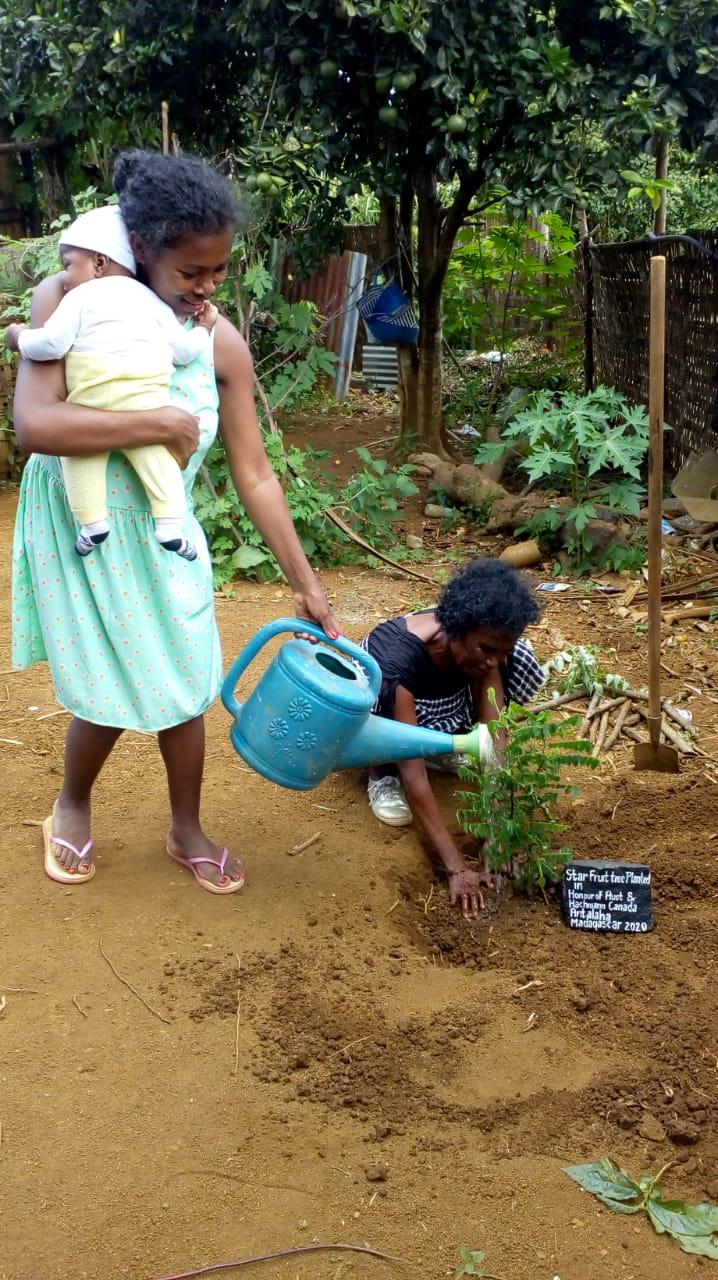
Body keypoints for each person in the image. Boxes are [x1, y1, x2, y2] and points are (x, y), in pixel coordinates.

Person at [11, 149, 337, 893]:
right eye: (191, 271)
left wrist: (305, 582)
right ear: (141, 250)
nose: (208, 286)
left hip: (165, 523)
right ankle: (71, 805)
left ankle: (186, 826)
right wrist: (155, 423)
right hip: (86, 519)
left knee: (187, 671)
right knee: (112, 671)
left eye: (219, 270)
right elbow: (35, 425)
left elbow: (255, 472)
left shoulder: (218, 340)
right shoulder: (73, 295)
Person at [6, 204, 216, 561]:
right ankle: (169, 524)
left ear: (99, 263)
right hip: (146, 401)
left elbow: (50, 345)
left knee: (79, 458)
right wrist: (204, 329)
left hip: (93, 402)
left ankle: (92, 524)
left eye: (68, 265)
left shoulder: (80, 297)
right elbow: (183, 352)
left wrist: (18, 337)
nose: (65, 278)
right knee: (157, 460)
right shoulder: (153, 303)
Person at [362, 558, 544, 919]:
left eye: (501, 652)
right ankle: (380, 773)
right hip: (380, 712)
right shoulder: (399, 660)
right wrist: (457, 869)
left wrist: (497, 836)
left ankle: (442, 747)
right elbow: (414, 772)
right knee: (396, 739)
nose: (495, 661)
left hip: (433, 701)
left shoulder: (484, 648)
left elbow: (495, 740)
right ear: (457, 628)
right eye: (487, 650)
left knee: (514, 660)